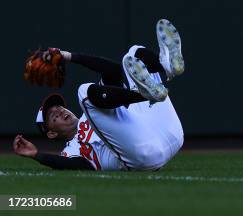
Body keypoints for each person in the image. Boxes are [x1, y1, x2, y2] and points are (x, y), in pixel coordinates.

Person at [13, 19, 185, 171]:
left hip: (171, 133)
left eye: (58, 107)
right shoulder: (71, 150)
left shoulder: (97, 111)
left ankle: (167, 67)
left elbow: (112, 71)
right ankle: (145, 95)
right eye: (53, 116)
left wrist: (67, 56)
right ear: (51, 134)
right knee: (84, 92)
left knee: (134, 54)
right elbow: (71, 165)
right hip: (144, 155)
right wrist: (37, 155)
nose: (59, 111)